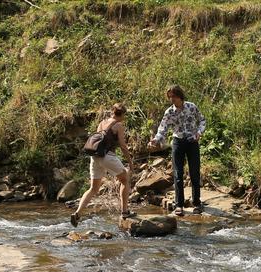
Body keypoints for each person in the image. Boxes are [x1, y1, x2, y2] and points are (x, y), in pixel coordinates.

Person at [71, 104, 135, 227]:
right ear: (122, 114)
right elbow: (122, 145)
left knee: (93, 188)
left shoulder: (102, 122)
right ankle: (125, 212)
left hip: (95, 157)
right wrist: (130, 162)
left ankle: (78, 213)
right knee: (125, 179)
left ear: (112, 112)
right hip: (107, 157)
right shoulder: (119, 125)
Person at [149, 85, 207, 216]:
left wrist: (199, 132)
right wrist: (156, 139)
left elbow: (202, 120)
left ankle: (197, 203)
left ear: (180, 96)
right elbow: (162, 128)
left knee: (194, 173)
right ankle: (179, 205)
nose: (171, 99)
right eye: (170, 97)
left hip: (192, 142)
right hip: (178, 142)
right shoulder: (169, 112)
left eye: (173, 96)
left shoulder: (191, 107)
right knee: (178, 174)